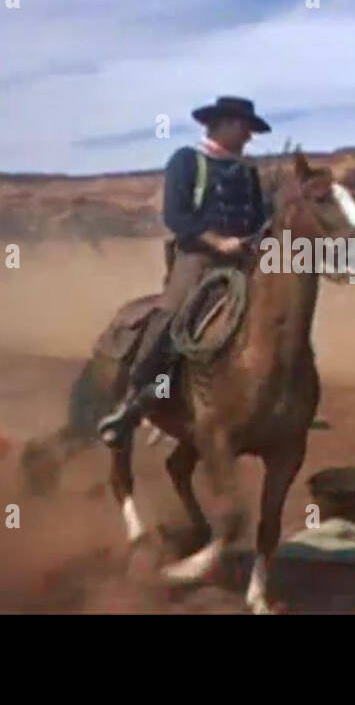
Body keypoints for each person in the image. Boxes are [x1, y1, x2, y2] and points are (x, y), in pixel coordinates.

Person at [95, 96, 273, 448]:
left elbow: (256, 218)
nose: (249, 137)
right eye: (243, 128)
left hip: (244, 261)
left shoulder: (249, 171)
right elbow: (176, 217)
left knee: (277, 315)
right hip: (198, 259)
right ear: (221, 125)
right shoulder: (187, 161)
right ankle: (135, 399)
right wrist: (219, 243)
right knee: (171, 317)